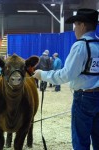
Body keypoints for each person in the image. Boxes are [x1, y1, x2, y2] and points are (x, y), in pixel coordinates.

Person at [33, 8, 99, 150]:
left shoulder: (80, 46)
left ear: (82, 25)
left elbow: (65, 75)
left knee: (81, 140)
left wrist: (42, 75)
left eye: (75, 25)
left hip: (84, 97)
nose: (74, 29)